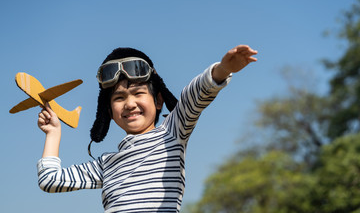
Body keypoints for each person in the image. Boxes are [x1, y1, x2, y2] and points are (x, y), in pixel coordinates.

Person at [37, 45, 258, 212]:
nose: (130, 104)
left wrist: (222, 70)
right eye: (119, 97)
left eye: (138, 93)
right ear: (109, 111)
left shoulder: (172, 133)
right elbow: (51, 180)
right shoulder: (106, 164)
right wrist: (53, 133)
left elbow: (193, 97)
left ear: (158, 100)